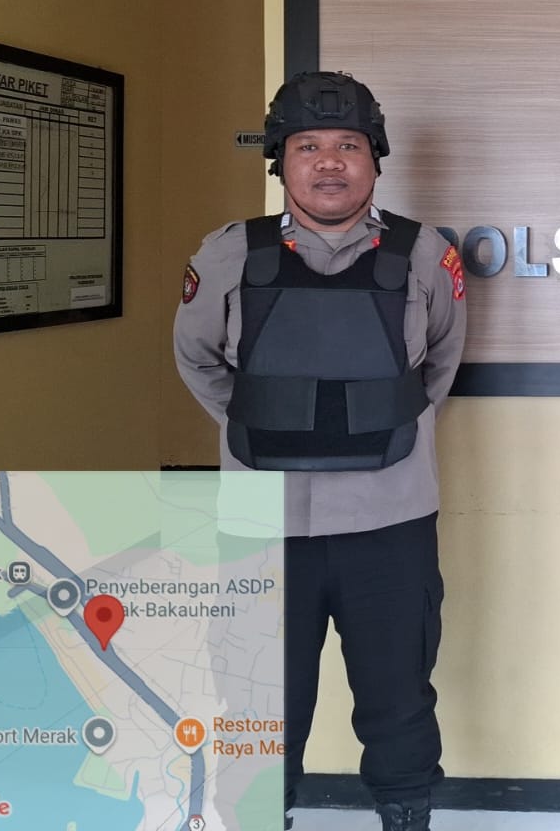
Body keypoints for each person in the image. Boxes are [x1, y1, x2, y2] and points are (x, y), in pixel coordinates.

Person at [174, 71, 466, 831]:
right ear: (280, 161)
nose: (330, 162)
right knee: (258, 702)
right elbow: (197, 360)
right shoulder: (228, 254)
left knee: (399, 699)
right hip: (260, 522)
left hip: (389, 517)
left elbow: (438, 366)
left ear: (375, 159)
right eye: (308, 146)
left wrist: (376, 423)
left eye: (348, 146)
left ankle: (405, 815)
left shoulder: (425, 255)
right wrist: (266, 428)